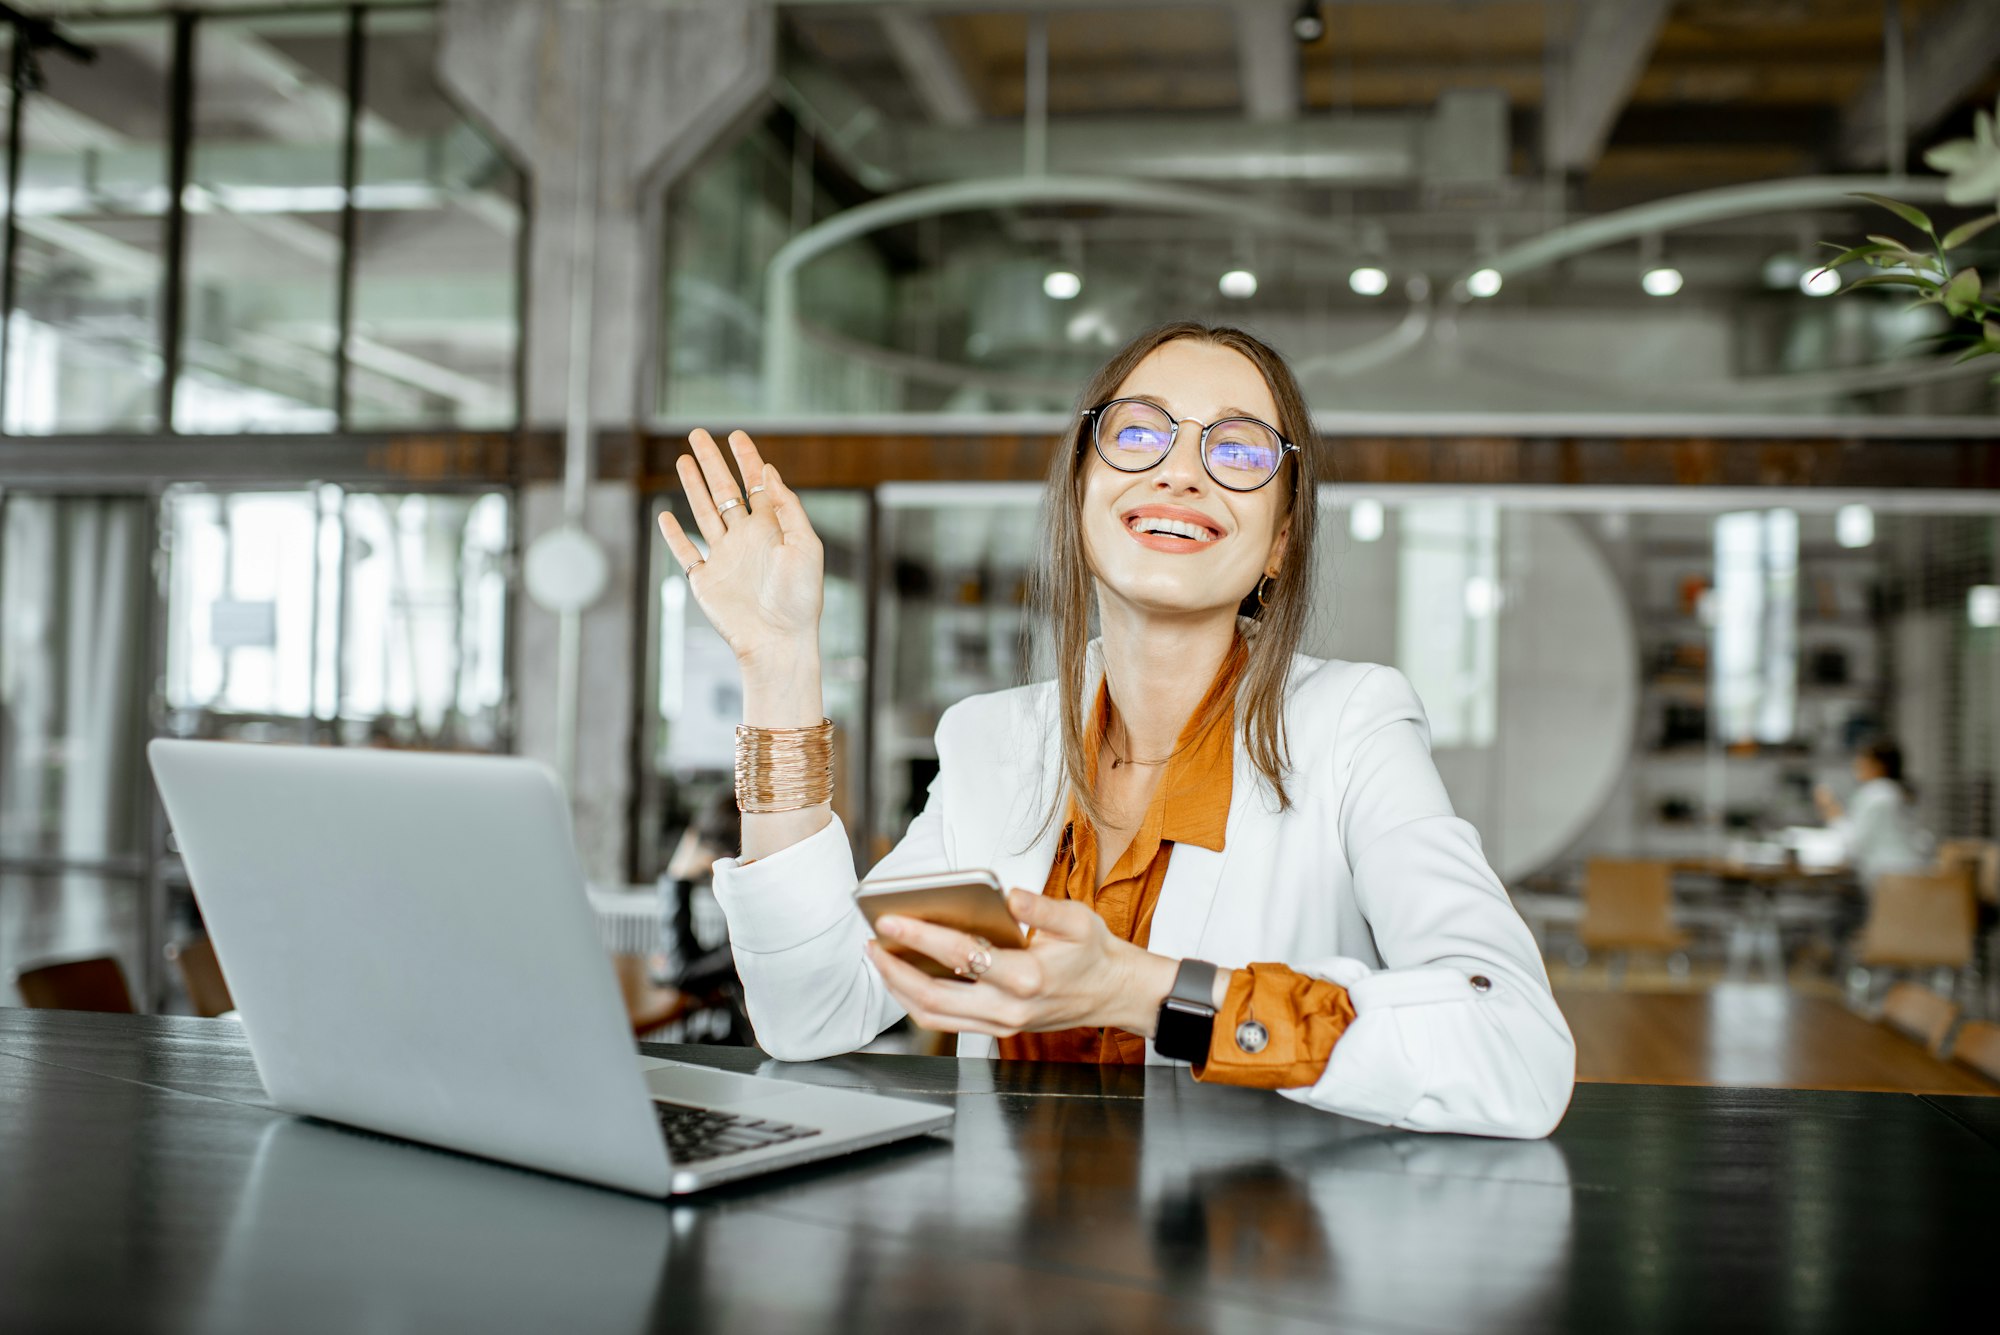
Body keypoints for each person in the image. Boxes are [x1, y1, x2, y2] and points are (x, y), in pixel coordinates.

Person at [657, 322, 1574, 1138]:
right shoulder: (991, 742)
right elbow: (806, 1009)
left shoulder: (1352, 725)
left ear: (1283, 540)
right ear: (1082, 489)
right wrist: (779, 665)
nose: (1180, 470)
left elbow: (1517, 1049)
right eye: (1138, 434)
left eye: (1240, 451)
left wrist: (1138, 991)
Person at [1814, 739, 1930, 888]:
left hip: (1889, 879)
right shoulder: (1895, 791)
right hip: (1911, 873)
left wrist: (1830, 809)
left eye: (1862, 761)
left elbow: (1854, 845)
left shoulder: (1875, 794)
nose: (1856, 765)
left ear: (1879, 766)